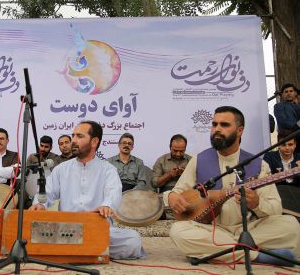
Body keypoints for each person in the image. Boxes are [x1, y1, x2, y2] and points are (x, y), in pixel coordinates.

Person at [167, 106, 299, 265]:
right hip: (212, 230)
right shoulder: (199, 160)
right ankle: (258, 255)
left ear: (240, 130)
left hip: (249, 229)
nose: (217, 129)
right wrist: (172, 197)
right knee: (178, 231)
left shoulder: (259, 165)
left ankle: (212, 252)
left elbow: (275, 208)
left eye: (224, 125)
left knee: (290, 225)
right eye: (214, 124)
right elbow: (176, 193)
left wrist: (257, 204)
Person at [29, 121, 147, 260]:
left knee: (133, 241)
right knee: (32, 233)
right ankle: (89, 249)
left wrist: (107, 205)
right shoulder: (62, 169)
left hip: (97, 230)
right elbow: (46, 192)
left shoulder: (108, 169)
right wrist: (39, 204)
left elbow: (113, 192)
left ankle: (73, 248)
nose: (73, 141)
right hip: (66, 229)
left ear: (94, 142)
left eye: (79, 136)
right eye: (73, 136)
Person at [273, 83, 300, 152]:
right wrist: (297, 125)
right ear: (282, 95)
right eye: (286, 91)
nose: (289, 93)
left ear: (295, 93)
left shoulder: (298, 106)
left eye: (291, 91)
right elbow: (283, 122)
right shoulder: (278, 106)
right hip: (287, 139)